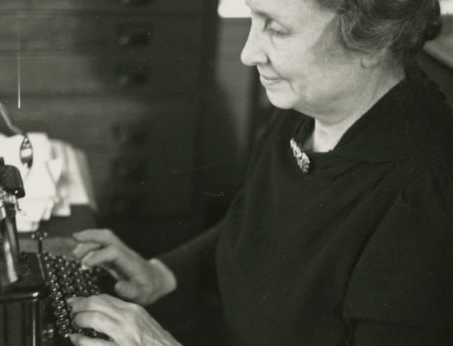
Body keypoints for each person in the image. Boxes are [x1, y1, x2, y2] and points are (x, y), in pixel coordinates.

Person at [68, 0, 453, 344]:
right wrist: (160, 273)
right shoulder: (304, 107)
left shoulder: (428, 195)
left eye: (276, 28)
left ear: (373, 40)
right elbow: (257, 223)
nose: (248, 53)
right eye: (254, 17)